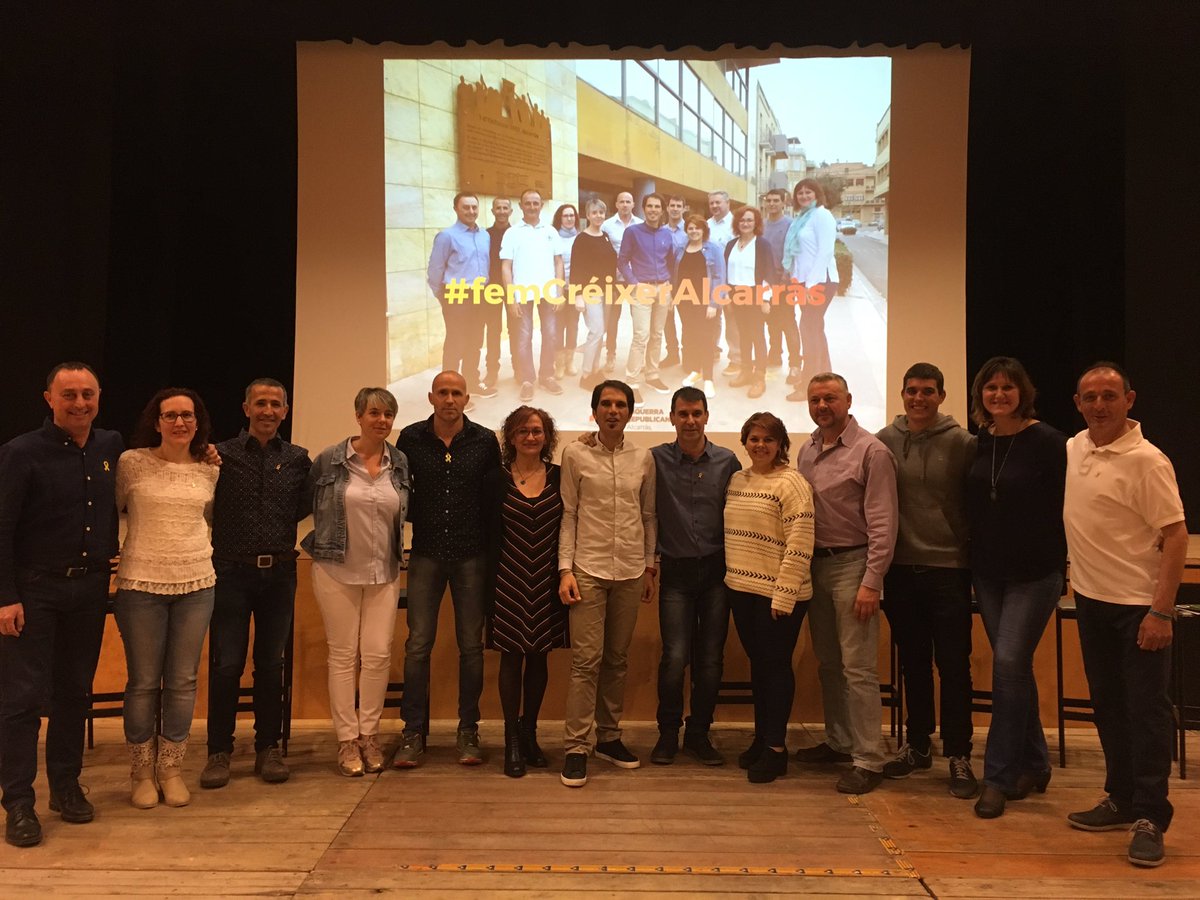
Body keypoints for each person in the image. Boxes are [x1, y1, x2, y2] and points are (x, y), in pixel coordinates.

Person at [1063, 362, 1186, 868]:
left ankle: (1151, 817)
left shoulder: (1149, 461)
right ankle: (1120, 798)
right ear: (1077, 403)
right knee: (1109, 707)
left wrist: (1160, 612)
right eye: (1089, 396)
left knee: (1146, 713)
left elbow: (1175, 536)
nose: (1099, 404)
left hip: (1139, 608)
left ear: (1129, 399)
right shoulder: (1075, 447)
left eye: (1109, 395)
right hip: (1091, 601)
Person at [0, 363, 122, 847]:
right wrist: (5, 597)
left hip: (89, 590)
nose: (79, 403)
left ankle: (66, 788)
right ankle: (18, 803)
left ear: (99, 397)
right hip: (34, 591)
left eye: (87, 394)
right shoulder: (20, 453)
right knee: (23, 699)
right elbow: (2, 528)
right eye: (68, 394)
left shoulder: (110, 446)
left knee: (74, 692)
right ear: (48, 398)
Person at [966, 356, 1066, 819]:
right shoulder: (980, 442)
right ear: (981, 395)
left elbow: (1070, 510)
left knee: (1006, 664)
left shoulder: (1049, 442)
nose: (999, 395)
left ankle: (998, 778)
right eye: (991, 388)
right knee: (1015, 669)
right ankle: (1037, 762)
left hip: (1035, 573)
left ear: (1022, 392)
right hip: (988, 574)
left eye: (1007, 388)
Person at [201, 378, 312, 790]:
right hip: (230, 571)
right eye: (260, 403)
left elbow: (303, 508)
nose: (268, 411)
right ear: (245, 408)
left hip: (280, 573)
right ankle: (219, 752)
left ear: (285, 411)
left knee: (270, 665)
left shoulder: (300, 459)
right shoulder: (219, 456)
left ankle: (269, 748)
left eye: (276, 404)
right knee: (226, 664)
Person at [876, 363, 979, 798]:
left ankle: (958, 754)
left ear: (942, 395)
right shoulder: (883, 442)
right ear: (902, 394)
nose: (919, 398)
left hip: (949, 570)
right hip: (900, 571)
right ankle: (918, 746)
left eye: (928, 391)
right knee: (913, 664)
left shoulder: (963, 443)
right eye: (912, 391)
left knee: (953, 666)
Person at [115, 388, 220, 810]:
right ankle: (141, 772)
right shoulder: (131, 463)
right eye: (171, 415)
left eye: (188, 416)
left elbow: (208, 521)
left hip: (198, 583)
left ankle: (171, 769)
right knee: (142, 682)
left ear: (198, 423)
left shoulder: (210, 469)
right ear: (156, 422)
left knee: (182, 682)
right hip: (140, 583)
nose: (180, 423)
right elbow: (113, 512)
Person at [795, 373, 898, 794]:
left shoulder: (872, 451)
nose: (823, 406)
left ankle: (869, 758)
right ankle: (840, 741)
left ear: (849, 400)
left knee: (858, 668)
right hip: (814, 567)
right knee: (830, 662)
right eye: (815, 399)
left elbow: (884, 522)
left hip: (854, 566)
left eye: (830, 398)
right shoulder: (807, 449)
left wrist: (872, 582)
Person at [394, 371, 501, 767]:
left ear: (467, 398)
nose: (450, 399)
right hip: (425, 555)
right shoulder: (410, 438)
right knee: (418, 646)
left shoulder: (485, 441)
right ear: (431, 397)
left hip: (473, 556)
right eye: (443, 392)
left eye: (457, 393)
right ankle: (412, 732)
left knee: (471, 647)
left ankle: (468, 730)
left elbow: (494, 498)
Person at [302, 387, 408, 777]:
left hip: (384, 573)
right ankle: (347, 741)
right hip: (336, 570)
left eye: (388, 415)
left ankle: (370, 735)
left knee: (378, 654)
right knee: (344, 656)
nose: (381, 421)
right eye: (374, 413)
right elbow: (303, 503)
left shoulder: (400, 461)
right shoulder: (330, 460)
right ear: (359, 416)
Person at [558, 380, 656, 788]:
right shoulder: (575, 453)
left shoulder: (644, 458)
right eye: (605, 404)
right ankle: (576, 747)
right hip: (588, 570)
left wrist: (650, 566)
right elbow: (570, 514)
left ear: (630, 412)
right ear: (594, 411)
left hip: (632, 570)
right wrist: (565, 569)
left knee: (617, 659)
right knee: (586, 662)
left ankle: (609, 737)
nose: (613, 410)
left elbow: (648, 516)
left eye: (620, 404)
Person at [650, 387, 741, 767]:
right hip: (675, 572)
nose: (690, 421)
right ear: (671, 418)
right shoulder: (653, 460)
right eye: (683, 414)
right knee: (674, 657)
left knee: (709, 659)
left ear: (707, 417)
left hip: (718, 573)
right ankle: (668, 734)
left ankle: (699, 733)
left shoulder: (727, 461)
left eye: (696, 414)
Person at [725, 412, 815, 783]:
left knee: (775, 668)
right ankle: (762, 739)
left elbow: (800, 541)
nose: (760, 445)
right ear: (744, 442)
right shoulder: (736, 479)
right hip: (742, 591)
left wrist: (784, 593)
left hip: (778, 594)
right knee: (759, 668)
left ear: (780, 444)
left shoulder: (792, 483)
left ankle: (777, 750)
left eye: (768, 440)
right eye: (753, 439)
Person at [484, 406, 568, 777]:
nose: (530, 437)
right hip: (507, 579)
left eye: (537, 431)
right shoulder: (495, 479)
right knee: (511, 658)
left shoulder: (561, 477)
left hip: (548, 580)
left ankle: (530, 733)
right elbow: (487, 535)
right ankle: (511, 742)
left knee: (539, 659)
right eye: (523, 431)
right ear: (511, 437)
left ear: (547, 436)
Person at [501, 189, 565, 402]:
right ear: (520, 206)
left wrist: (559, 291)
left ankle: (547, 375)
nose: (531, 206)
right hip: (522, 293)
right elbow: (506, 266)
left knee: (551, 334)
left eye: (535, 203)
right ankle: (527, 380)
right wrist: (511, 298)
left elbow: (558, 262)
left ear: (541, 205)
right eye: (527, 203)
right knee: (523, 337)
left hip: (548, 292)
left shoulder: (551, 231)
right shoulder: (512, 233)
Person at [427, 191, 491, 394]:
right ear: (456, 209)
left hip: (481, 294)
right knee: (456, 342)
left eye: (474, 207)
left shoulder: (484, 235)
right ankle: (448, 391)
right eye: (466, 207)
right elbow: (434, 270)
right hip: (456, 295)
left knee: (475, 342)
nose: (471, 211)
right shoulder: (447, 236)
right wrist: (443, 296)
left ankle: (471, 382)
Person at [783, 179, 839, 400]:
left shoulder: (822, 215)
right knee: (814, 329)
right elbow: (799, 255)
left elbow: (825, 252)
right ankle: (826, 380)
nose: (804, 196)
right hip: (804, 282)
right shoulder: (803, 218)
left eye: (809, 192)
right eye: (800, 193)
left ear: (817, 194)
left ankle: (810, 386)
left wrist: (811, 286)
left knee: (808, 329)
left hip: (820, 282)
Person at [617, 192, 677, 397]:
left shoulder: (666, 234)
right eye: (649, 206)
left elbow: (670, 262)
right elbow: (622, 261)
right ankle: (632, 382)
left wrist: (671, 289)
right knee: (641, 335)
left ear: (662, 210)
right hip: (641, 288)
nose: (653, 210)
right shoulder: (632, 232)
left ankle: (652, 375)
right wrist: (634, 283)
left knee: (657, 334)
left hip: (663, 288)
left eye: (657, 207)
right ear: (644, 209)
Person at [722, 205, 780, 398]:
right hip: (736, 295)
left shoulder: (762, 244)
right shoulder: (731, 244)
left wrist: (765, 299)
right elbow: (726, 273)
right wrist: (727, 298)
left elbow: (769, 272)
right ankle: (746, 371)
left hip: (755, 294)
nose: (745, 223)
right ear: (737, 223)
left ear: (756, 223)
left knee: (757, 336)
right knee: (743, 335)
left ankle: (759, 378)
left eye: (749, 220)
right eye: (742, 220)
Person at [673, 215, 726, 399]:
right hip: (685, 300)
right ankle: (696, 371)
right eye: (690, 228)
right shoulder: (681, 248)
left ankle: (709, 379)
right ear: (686, 230)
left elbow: (720, 276)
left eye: (697, 228)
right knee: (691, 336)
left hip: (706, 301)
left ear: (704, 230)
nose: (694, 231)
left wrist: (714, 303)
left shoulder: (713, 249)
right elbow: (676, 274)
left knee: (706, 339)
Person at [570, 198, 618, 391]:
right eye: (594, 213)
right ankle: (586, 374)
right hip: (589, 292)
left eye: (601, 213)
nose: (598, 216)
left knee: (601, 332)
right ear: (588, 215)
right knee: (596, 330)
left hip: (607, 291)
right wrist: (578, 295)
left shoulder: (605, 236)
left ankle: (596, 370)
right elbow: (576, 268)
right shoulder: (582, 239)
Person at [761, 187, 802, 385]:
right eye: (769, 200)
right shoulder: (762, 225)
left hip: (784, 282)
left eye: (776, 200)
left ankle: (795, 365)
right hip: (766, 282)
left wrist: (785, 279)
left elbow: (794, 254)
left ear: (784, 203)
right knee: (771, 320)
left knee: (788, 323)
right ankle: (774, 354)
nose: (772, 204)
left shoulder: (790, 225)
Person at [601, 191, 642, 374]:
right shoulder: (607, 225)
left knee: (639, 319)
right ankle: (611, 354)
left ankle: (639, 358)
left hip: (636, 280)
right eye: (621, 202)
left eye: (628, 201)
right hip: (614, 280)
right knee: (612, 319)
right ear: (616, 204)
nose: (625, 205)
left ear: (633, 204)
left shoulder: (641, 224)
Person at [707, 190, 740, 375]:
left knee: (732, 320)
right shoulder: (707, 224)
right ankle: (711, 350)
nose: (714, 206)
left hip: (732, 281)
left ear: (728, 203)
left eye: (718, 202)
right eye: (712, 203)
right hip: (711, 280)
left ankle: (736, 359)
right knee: (713, 317)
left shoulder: (735, 225)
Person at [482, 197, 513, 393]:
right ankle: (492, 370)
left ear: (510, 211)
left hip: (513, 288)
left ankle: (519, 368)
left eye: (505, 208)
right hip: (491, 289)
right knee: (493, 331)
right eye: (498, 208)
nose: (501, 211)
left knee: (516, 329)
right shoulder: (485, 235)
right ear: (493, 211)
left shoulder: (517, 233)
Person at [553, 203, 581, 380]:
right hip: (557, 289)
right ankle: (559, 364)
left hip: (575, 289)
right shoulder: (553, 237)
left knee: (572, 326)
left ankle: (570, 361)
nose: (569, 218)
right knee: (557, 328)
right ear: (559, 218)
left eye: (572, 215)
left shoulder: (580, 237)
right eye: (566, 216)